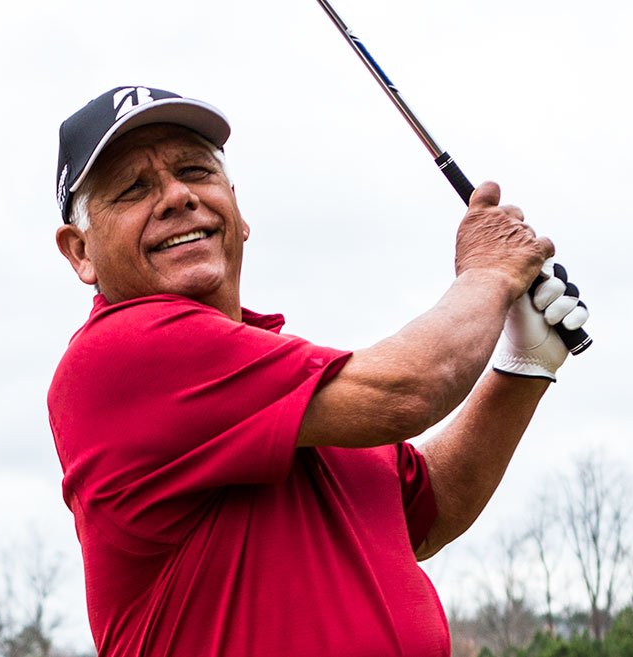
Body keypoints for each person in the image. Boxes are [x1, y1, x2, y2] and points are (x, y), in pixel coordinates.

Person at [48, 86, 589, 657]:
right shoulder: (117, 355)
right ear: (80, 251)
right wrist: (489, 273)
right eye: (134, 188)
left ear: (237, 208)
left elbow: (427, 510)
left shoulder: (293, 382)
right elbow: (413, 388)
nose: (178, 196)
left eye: (195, 171)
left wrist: (524, 367)